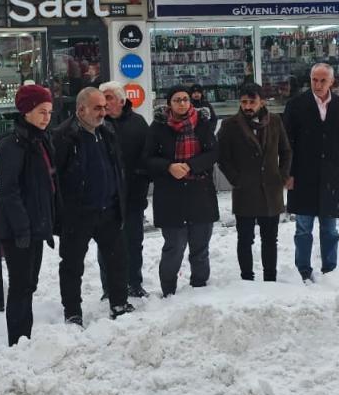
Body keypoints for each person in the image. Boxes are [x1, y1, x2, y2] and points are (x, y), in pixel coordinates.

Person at [54, 87, 134, 325]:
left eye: (104, 107)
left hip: (108, 210)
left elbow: (116, 167)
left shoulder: (107, 130)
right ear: (81, 109)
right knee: (72, 265)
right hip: (78, 214)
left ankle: (119, 302)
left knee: (117, 260)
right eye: (97, 108)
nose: (103, 112)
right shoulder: (64, 136)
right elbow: (56, 177)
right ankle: (72, 312)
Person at [0, 84, 58, 346]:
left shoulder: (40, 139)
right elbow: (9, 191)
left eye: (50, 112)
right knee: (20, 286)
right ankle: (17, 339)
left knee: (29, 284)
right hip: (18, 229)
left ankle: (24, 338)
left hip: (35, 225)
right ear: (27, 111)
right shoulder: (13, 144)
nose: (47, 117)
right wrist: (22, 228)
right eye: (42, 111)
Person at [284, 64, 339, 283]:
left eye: (322, 80)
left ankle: (330, 268)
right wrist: (287, 173)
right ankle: (303, 270)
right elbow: (287, 143)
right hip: (303, 174)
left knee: (330, 229)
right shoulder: (296, 105)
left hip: (331, 175)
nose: (318, 84)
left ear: (332, 82)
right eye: (314, 80)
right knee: (303, 228)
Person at [145, 86, 219, 297]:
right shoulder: (158, 127)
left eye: (185, 99)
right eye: (177, 100)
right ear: (169, 103)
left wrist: (191, 165)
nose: (182, 103)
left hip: (200, 192)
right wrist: (169, 166)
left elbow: (214, 152)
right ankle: (168, 291)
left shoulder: (203, 124)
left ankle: (200, 287)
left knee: (200, 246)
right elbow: (148, 158)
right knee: (174, 248)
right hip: (171, 195)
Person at [217, 82, 291, 282]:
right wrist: (235, 179)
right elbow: (222, 156)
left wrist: (282, 176)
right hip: (245, 190)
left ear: (262, 102)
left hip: (271, 190)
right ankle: (247, 279)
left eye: (252, 102)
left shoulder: (275, 121)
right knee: (245, 239)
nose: (247, 106)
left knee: (270, 239)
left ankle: (270, 278)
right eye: (244, 102)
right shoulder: (230, 125)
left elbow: (286, 151)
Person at [98, 80, 151, 298]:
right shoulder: (97, 124)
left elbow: (147, 156)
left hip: (132, 196)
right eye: (102, 99)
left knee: (133, 242)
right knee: (106, 246)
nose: (105, 103)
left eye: (109, 98)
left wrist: (141, 177)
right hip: (106, 199)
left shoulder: (138, 123)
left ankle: (134, 283)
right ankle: (109, 288)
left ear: (121, 100)